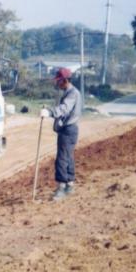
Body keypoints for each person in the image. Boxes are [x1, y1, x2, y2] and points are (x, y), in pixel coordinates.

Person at [40, 67, 82, 201]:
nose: (57, 83)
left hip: (68, 130)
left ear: (64, 80)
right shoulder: (70, 92)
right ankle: (70, 185)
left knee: (62, 158)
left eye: (58, 81)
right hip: (70, 129)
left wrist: (50, 112)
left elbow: (64, 108)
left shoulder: (72, 94)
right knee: (68, 157)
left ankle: (62, 188)